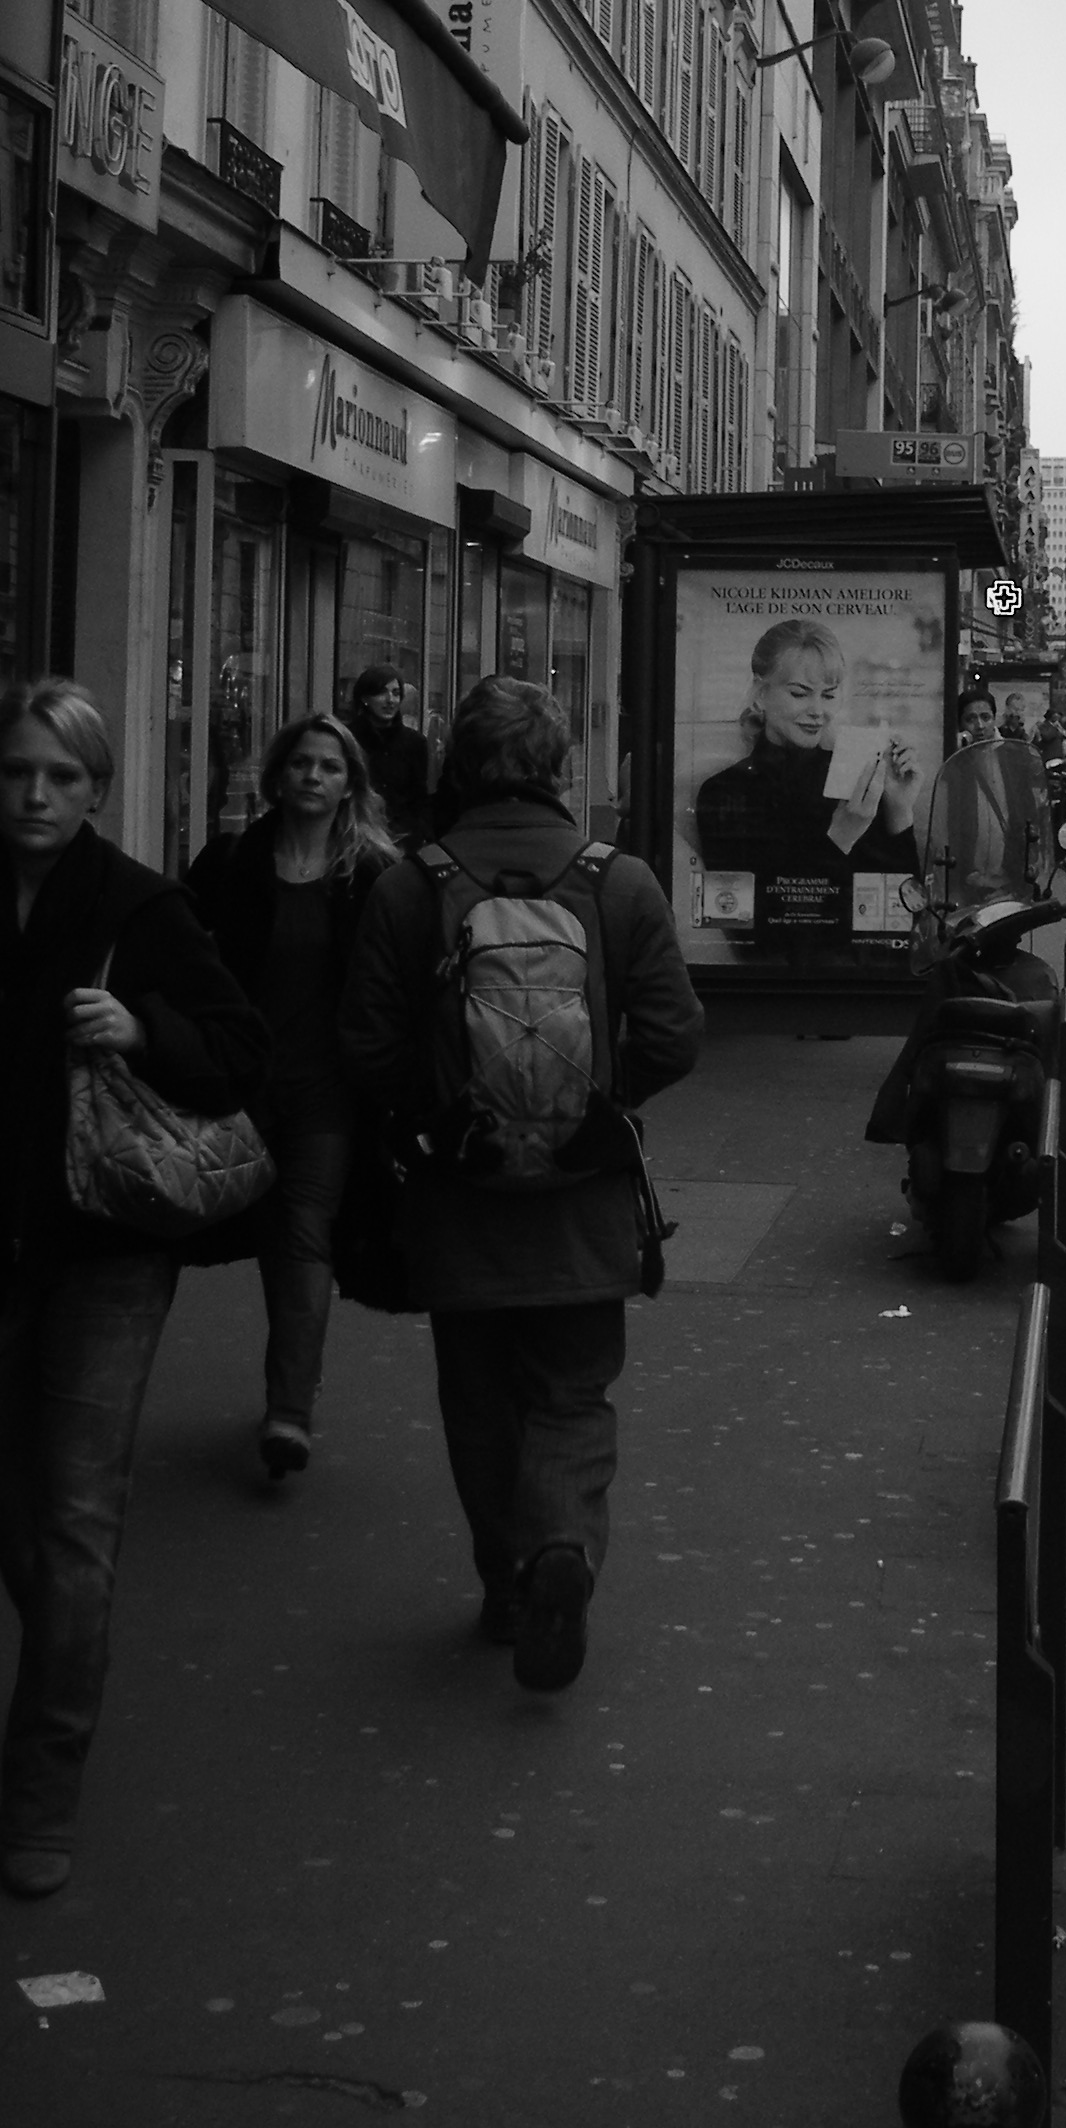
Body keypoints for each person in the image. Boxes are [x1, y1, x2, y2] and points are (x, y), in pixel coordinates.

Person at [339, 678, 704, 1694]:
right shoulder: (617, 881)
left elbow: (365, 1048)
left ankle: (507, 1582)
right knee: (574, 1396)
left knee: (480, 1402)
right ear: (555, 769)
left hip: (460, 1202)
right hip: (583, 1202)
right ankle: (562, 1552)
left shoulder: (411, 886)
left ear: (459, 764)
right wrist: (602, 1106)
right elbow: (677, 1033)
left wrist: (441, 1117)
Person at [0, 678, 266, 1899]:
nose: (36, 795)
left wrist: (139, 1028)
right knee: (31, 1516)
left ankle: (39, 1793)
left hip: (103, 1250)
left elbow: (235, 1060)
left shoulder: (139, 906)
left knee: (76, 1518)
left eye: (61, 777)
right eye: (18, 773)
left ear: (99, 789)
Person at [188, 712, 400, 1481]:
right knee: (250, 1233)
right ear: (278, 775)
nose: (313, 776)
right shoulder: (231, 862)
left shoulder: (372, 875)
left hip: (327, 1094)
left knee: (303, 1232)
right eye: (302, 764)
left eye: (330, 767)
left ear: (351, 785)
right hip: (238, 1088)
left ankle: (288, 1412)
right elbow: (179, 955)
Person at [692, 619, 922, 947]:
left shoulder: (852, 775)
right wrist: (839, 839)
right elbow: (753, 922)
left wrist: (900, 811)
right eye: (799, 693)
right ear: (760, 694)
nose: (817, 711)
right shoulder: (726, 791)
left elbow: (904, 909)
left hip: (862, 980)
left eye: (828, 696)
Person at [346, 664, 432, 850]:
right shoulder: (347, 739)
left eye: (395, 693)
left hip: (404, 840)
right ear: (365, 698)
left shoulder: (414, 743)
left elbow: (419, 798)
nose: (390, 700)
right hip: (356, 837)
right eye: (381, 693)